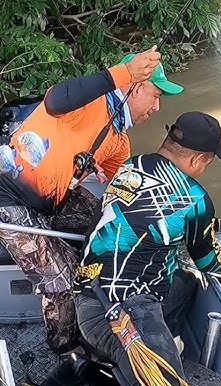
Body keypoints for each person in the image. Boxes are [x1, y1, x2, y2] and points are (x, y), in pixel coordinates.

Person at [0, 46, 184, 353]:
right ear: (135, 87)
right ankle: (64, 349)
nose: (156, 107)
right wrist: (123, 73)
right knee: (62, 283)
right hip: (9, 198)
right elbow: (57, 98)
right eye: (155, 95)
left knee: (105, 225)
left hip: (53, 199)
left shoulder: (119, 142)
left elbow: (119, 192)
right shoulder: (89, 102)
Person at [72, 111, 221, 385]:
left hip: (85, 291)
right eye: (206, 163)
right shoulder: (195, 198)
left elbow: (147, 214)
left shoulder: (131, 165)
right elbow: (209, 262)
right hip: (119, 317)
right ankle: (133, 361)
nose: (203, 169)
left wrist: (217, 224)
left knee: (184, 282)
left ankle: (160, 342)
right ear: (197, 159)